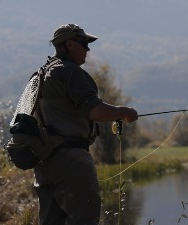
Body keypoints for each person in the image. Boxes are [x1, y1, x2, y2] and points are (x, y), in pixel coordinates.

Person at [33, 24, 138, 225]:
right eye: (84, 43)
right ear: (70, 44)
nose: (88, 49)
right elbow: (95, 111)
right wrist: (124, 112)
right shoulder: (70, 72)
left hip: (43, 164)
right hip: (72, 163)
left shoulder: (38, 76)